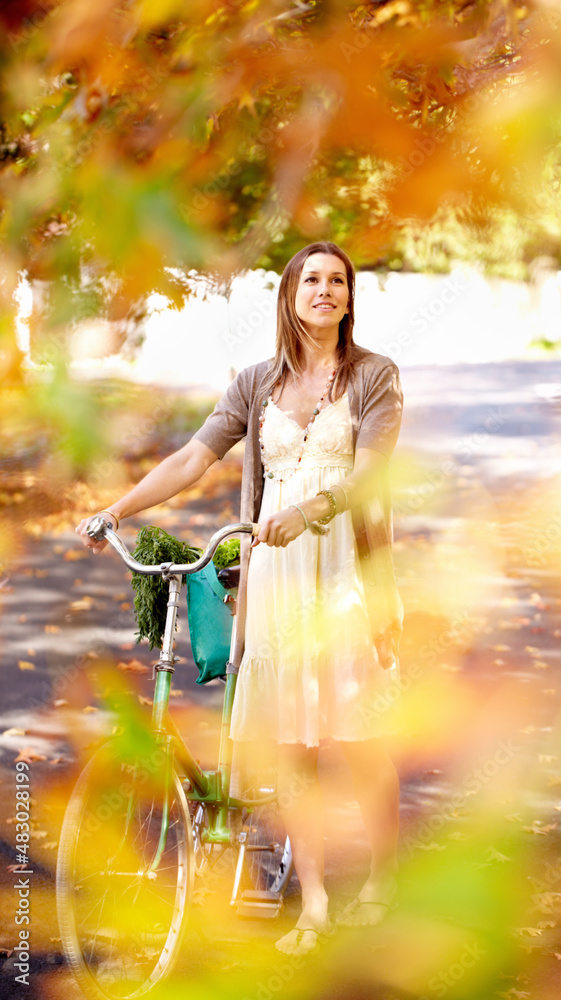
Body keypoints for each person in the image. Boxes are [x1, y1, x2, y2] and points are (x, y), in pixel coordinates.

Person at [76, 241, 404, 956]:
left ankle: (381, 875)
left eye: (337, 281)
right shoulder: (256, 382)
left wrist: (313, 510)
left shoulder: (375, 376)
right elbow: (194, 456)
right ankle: (313, 902)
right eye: (310, 279)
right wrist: (117, 510)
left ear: (349, 297)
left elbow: (372, 475)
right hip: (274, 574)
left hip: (342, 563)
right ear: (288, 295)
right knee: (290, 743)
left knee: (355, 737)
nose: (324, 290)